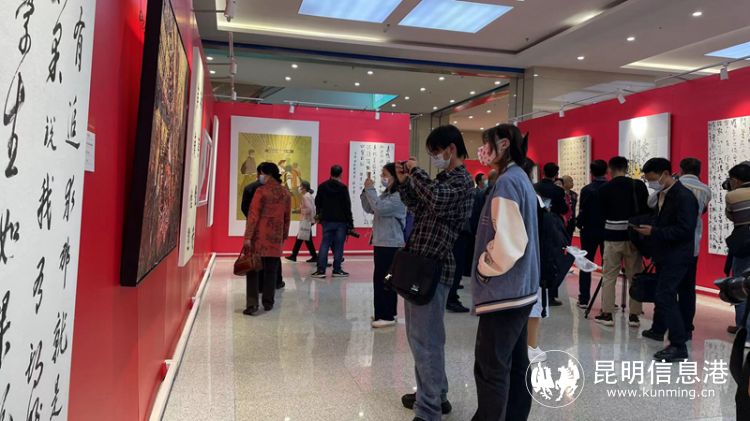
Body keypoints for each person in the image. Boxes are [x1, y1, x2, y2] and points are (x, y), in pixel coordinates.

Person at [395, 125, 473, 421]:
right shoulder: (443, 180)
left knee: (426, 340)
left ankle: (428, 409)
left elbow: (437, 200)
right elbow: (420, 206)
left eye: (436, 152)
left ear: (451, 149)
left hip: (434, 268)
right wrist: (405, 183)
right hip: (420, 265)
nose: (434, 158)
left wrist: (416, 172)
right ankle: (436, 394)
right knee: (422, 338)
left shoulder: (462, 181)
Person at [472, 124, 539, 421]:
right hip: (520, 290)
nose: (483, 151)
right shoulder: (520, 177)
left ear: (503, 145)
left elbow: (509, 243)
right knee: (515, 362)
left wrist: (484, 267)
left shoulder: (508, 182)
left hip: (504, 292)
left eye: (487, 144)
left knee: (491, 367)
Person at [635, 158, 698, 361]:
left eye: (652, 178)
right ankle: (664, 332)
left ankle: (678, 344)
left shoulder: (684, 197)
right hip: (665, 253)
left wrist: (654, 231)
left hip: (678, 255)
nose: (651, 183)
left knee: (665, 295)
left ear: (665, 173)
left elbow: (685, 229)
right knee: (665, 294)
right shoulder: (664, 194)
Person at [595, 156, 648, 327]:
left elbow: (600, 214)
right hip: (634, 237)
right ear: (626, 168)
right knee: (635, 277)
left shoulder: (604, 189)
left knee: (609, 276)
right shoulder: (638, 186)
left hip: (612, 237)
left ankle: (607, 313)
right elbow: (646, 210)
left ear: (610, 169)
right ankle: (634, 315)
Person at [360, 163, 407, 328]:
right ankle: (386, 312)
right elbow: (370, 208)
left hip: (391, 244)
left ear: (394, 176)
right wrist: (365, 192)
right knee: (383, 278)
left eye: (385, 174)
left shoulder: (399, 196)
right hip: (382, 242)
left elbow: (379, 208)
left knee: (385, 279)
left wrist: (370, 190)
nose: (382, 177)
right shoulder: (387, 194)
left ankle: (386, 315)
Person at [242, 162, 291, 315]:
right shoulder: (285, 193)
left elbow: (253, 215)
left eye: (260, 173)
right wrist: (284, 235)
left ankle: (252, 305)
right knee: (271, 271)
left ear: (267, 174)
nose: (259, 176)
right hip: (275, 237)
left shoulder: (261, 191)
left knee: (253, 270)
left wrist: (248, 236)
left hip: (259, 237)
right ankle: (268, 303)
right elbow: (287, 218)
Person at [674, 158, 711, 337]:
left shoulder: (675, 185)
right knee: (688, 288)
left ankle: (670, 325)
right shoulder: (706, 189)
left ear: (681, 169)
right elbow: (703, 210)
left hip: (673, 243)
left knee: (669, 286)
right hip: (694, 243)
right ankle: (687, 325)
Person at [521, 158, 549, 364]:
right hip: (532, 258)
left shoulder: (509, 194)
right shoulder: (534, 197)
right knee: (533, 303)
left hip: (519, 258)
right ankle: (531, 345)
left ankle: (527, 344)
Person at [242, 166, 285, 290]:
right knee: (273, 257)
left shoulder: (249, 188)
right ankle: (276, 282)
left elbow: (245, 208)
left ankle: (259, 285)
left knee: (257, 256)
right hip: (272, 228)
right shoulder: (278, 190)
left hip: (255, 227)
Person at [575, 160, 608, 309]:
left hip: (589, 229)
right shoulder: (610, 188)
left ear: (591, 172)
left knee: (585, 263)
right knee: (608, 265)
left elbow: (583, 210)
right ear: (606, 171)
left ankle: (584, 299)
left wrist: (578, 223)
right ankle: (608, 299)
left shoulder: (587, 189)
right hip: (607, 229)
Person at [534, 163, 568, 306]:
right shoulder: (558, 191)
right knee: (553, 258)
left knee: (537, 257)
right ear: (556, 174)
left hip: (536, 224)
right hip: (553, 226)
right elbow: (563, 209)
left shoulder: (535, 187)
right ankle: (551, 295)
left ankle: (535, 291)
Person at [312, 165, 353, 278]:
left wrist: (320, 213)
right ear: (341, 174)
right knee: (339, 245)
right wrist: (350, 222)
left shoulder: (322, 186)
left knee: (325, 243)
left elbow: (317, 202)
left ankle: (321, 270)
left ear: (330, 173)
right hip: (341, 221)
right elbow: (347, 206)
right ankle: (337, 269)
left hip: (327, 220)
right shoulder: (343, 188)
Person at [723, 162, 750, 334]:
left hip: (744, 245)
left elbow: (731, 216)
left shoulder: (732, 195)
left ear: (736, 180)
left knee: (740, 286)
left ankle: (744, 330)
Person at [286, 181, 318, 263]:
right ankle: (313, 256)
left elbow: (309, 209)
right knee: (304, 238)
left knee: (301, 237)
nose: (299, 188)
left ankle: (294, 255)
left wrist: (300, 211)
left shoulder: (305, 197)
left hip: (306, 220)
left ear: (304, 188)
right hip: (308, 220)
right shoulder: (309, 196)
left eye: (300, 186)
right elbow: (311, 208)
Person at [562, 175, 578, 240]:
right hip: (563, 221)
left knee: (569, 240)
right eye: (571, 181)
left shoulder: (574, 194)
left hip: (571, 222)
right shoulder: (560, 193)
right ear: (565, 183)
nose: (572, 183)